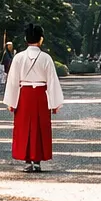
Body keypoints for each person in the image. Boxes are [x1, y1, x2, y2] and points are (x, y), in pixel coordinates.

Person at [6, 23, 65, 172]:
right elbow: (52, 80)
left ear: (26, 39)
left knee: (24, 127)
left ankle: (27, 161)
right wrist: (55, 103)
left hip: (24, 95)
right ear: (41, 40)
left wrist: (11, 101)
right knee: (40, 127)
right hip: (40, 95)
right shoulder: (46, 58)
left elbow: (13, 80)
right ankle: (37, 161)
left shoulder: (19, 57)